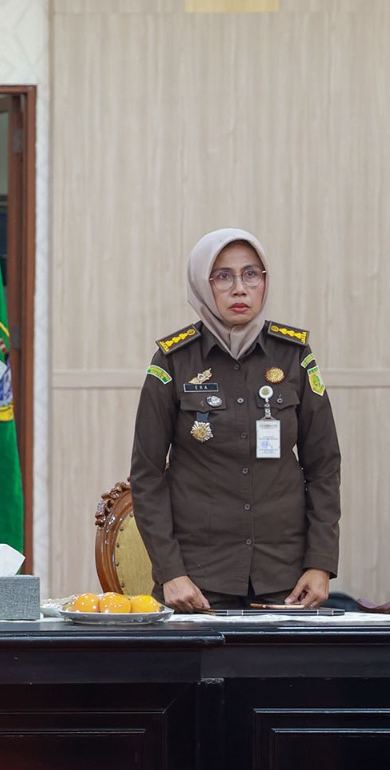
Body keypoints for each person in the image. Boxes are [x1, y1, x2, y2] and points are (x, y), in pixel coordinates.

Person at [129, 228, 341, 612]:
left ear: (264, 282)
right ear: (201, 284)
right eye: (223, 276)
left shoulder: (294, 356)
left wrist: (320, 562)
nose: (239, 289)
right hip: (196, 583)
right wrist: (170, 572)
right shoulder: (174, 361)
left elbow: (324, 466)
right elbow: (147, 476)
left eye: (251, 274)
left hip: (286, 581)